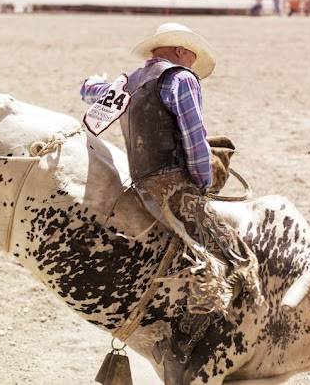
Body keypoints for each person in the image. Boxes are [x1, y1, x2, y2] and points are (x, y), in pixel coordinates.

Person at [80, 23, 262, 382]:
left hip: (140, 184)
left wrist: (89, 83)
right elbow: (194, 137)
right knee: (232, 258)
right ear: (179, 51)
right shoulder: (182, 80)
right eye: (193, 57)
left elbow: (91, 91)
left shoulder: (129, 81)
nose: (194, 65)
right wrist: (204, 181)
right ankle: (179, 344)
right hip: (171, 187)